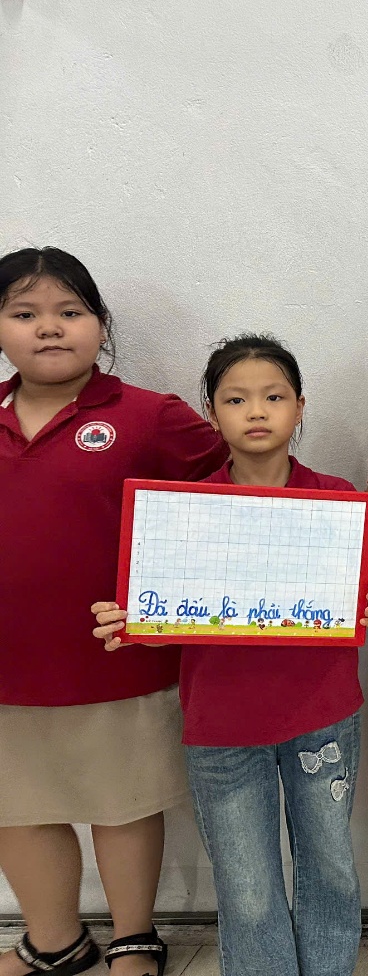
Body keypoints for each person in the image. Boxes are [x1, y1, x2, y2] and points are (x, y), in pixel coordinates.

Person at [94, 334, 368, 976]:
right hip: (221, 727)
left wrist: (364, 607)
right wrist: (133, 620)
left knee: (329, 864)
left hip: (322, 715)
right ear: (212, 412)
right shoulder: (186, 512)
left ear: (300, 407)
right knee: (247, 886)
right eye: (237, 398)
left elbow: (355, 601)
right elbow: (167, 615)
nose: (257, 411)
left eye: (274, 396)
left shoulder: (334, 501)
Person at [0, 247, 227, 976]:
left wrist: (165, 592)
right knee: (18, 805)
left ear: (101, 326)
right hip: (7, 661)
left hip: (115, 659)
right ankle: (53, 940)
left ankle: (135, 935)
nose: (50, 329)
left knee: (122, 802)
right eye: (25, 314)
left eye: (71, 312)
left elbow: (235, 495)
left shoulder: (148, 416)